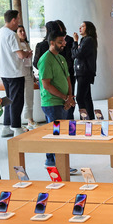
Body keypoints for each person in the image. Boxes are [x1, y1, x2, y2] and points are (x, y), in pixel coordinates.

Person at [37, 29, 76, 168]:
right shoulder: (45, 60)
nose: (64, 44)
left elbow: (68, 79)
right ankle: (60, 165)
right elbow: (46, 85)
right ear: (51, 43)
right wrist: (65, 98)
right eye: (60, 42)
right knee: (57, 134)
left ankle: (51, 160)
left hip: (62, 102)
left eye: (64, 40)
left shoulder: (61, 58)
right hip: (52, 104)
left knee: (58, 132)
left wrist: (69, 98)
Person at [0, 10, 31, 137]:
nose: (19, 22)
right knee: (17, 100)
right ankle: (16, 127)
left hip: (4, 71)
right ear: (14, 20)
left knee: (8, 99)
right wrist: (27, 53)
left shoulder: (0, 32)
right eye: (18, 19)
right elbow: (20, 54)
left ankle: (6, 126)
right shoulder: (12, 35)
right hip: (15, 72)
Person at [72, 21, 98, 120]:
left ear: (88, 28)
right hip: (84, 71)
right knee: (86, 97)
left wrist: (75, 42)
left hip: (84, 71)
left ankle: (84, 119)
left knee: (80, 97)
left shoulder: (88, 40)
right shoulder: (85, 40)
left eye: (83, 26)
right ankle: (90, 119)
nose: (80, 28)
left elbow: (76, 54)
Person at [16, 25, 36, 130]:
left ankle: (30, 120)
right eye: (20, 31)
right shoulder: (17, 46)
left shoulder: (26, 44)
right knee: (21, 99)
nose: (23, 33)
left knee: (29, 97)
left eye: (23, 30)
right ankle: (20, 122)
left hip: (28, 73)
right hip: (21, 74)